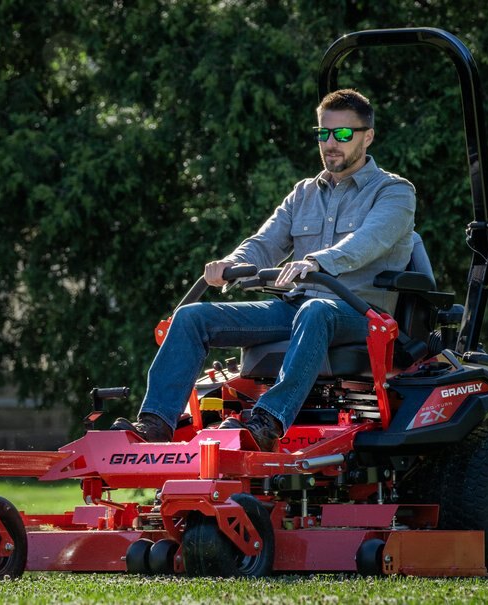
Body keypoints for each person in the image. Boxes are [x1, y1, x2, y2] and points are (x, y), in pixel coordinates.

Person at [110, 88, 416, 451]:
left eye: (343, 134)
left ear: (368, 136)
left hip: (360, 312)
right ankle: (156, 424)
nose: (331, 143)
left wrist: (317, 262)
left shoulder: (395, 192)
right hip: (296, 308)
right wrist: (232, 263)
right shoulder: (303, 194)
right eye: (324, 133)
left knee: (316, 310)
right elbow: (265, 242)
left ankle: (267, 421)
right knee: (192, 317)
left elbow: (368, 241)